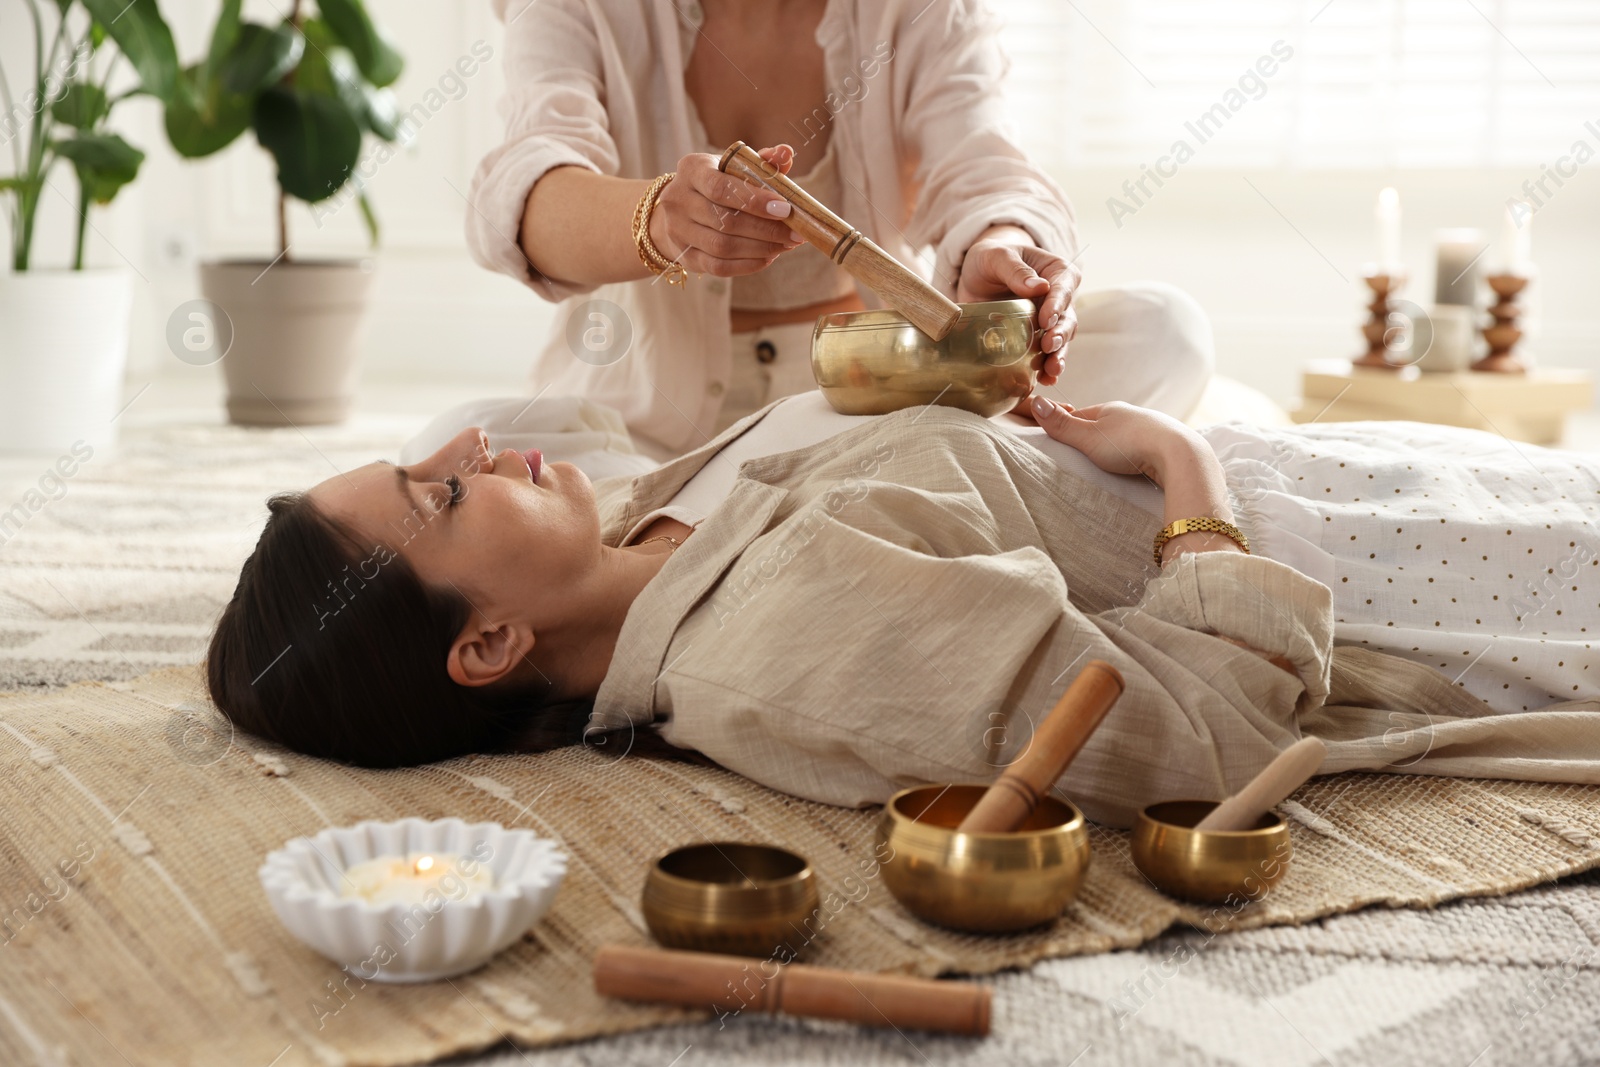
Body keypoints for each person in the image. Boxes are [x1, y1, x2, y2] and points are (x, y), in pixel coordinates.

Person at [205, 396, 1600, 828]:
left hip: (1338, 462)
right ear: (491, 642)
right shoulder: (788, 648)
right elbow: (1219, 738)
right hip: (1398, 572)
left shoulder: (641, 532)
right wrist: (1183, 468)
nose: (472, 449)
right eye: (437, 494)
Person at [463, 0, 1215, 461]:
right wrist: (659, 219)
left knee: (1166, 332)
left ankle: (734, 525)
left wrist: (998, 245)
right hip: (652, 422)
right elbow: (529, 188)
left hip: (879, 402)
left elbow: (984, 164)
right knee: (463, 445)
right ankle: (822, 509)